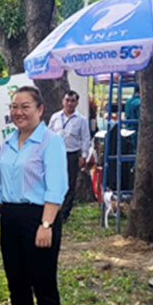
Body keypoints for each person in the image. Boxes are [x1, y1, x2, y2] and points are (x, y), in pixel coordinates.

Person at [0, 86, 68, 305]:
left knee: (43, 287)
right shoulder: (8, 142)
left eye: (25, 107)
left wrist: (46, 224)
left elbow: (57, 187)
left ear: (40, 110)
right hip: (11, 218)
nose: (18, 112)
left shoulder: (50, 142)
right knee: (17, 284)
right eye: (14, 107)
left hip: (39, 217)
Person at [47, 90, 91, 220]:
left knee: (70, 184)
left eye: (73, 101)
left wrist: (84, 156)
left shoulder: (81, 120)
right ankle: (53, 209)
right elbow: (49, 134)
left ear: (76, 103)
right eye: (67, 100)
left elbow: (85, 138)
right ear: (63, 101)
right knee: (55, 182)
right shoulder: (55, 117)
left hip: (72, 154)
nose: (69, 103)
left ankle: (64, 213)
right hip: (56, 154)